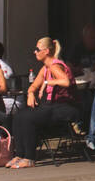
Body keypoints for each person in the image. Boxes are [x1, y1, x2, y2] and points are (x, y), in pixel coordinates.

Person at [6, 37, 81, 169]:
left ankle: (29, 157)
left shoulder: (55, 66)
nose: (35, 52)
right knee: (19, 116)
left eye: (37, 50)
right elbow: (33, 86)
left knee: (29, 118)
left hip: (65, 107)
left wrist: (47, 82)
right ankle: (20, 154)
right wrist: (30, 94)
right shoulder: (45, 68)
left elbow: (66, 82)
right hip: (51, 106)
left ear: (46, 51)